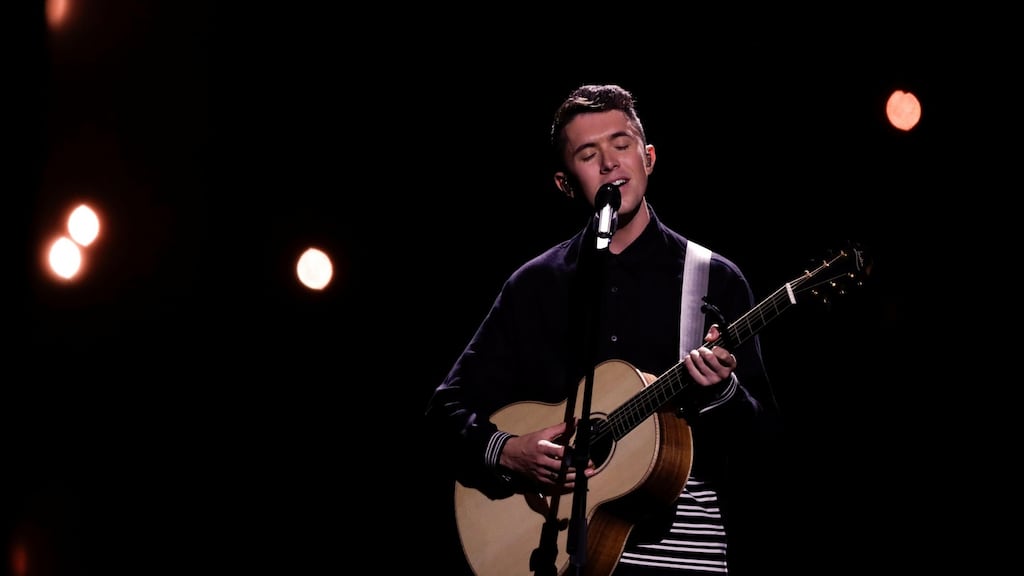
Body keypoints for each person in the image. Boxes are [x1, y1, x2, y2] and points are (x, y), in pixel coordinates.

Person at [424, 84, 781, 575]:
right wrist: (508, 451)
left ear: (648, 156)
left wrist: (723, 394)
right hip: (548, 556)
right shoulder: (535, 286)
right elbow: (443, 412)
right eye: (588, 154)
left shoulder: (712, 279)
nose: (610, 163)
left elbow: (766, 444)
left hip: (681, 558)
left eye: (622, 143)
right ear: (565, 183)